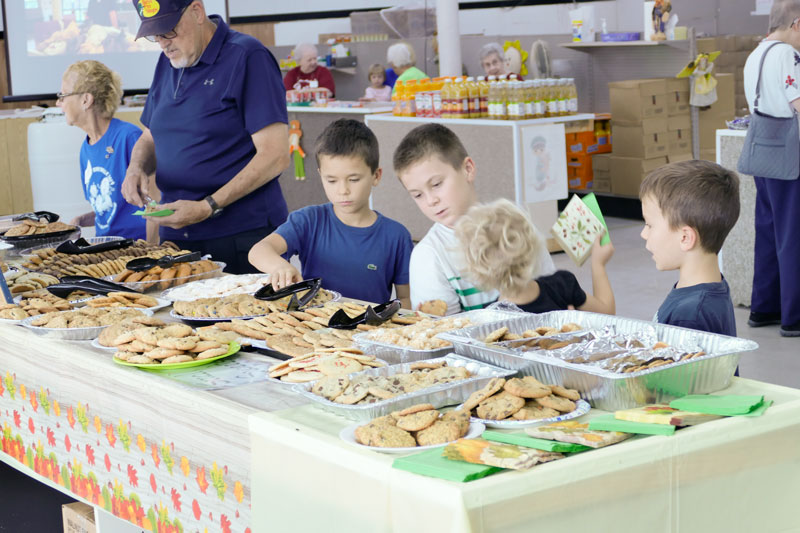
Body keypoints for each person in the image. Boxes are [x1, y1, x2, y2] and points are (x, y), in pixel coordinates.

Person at [123, 0, 290, 274]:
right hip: (178, 240)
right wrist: (135, 168)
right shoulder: (168, 62)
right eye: (156, 35)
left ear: (197, 12)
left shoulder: (248, 56)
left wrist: (208, 206)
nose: (163, 43)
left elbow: (275, 156)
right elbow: (150, 136)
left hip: (243, 237)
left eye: (169, 31)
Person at [393, 123, 556, 315]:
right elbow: (442, 335)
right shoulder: (428, 256)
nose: (431, 200)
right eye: (417, 195)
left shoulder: (515, 225)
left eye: (436, 184)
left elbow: (552, 292)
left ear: (468, 169)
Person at [248, 119, 413, 308]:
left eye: (353, 179)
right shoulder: (309, 220)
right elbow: (258, 251)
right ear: (320, 176)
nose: (343, 190)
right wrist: (280, 266)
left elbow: (405, 298)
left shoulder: (396, 236)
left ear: (376, 176)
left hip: (369, 330)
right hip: (314, 327)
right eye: (332, 181)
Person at [743, 0, 800, 337]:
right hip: (789, 158)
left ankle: (764, 308)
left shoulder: (756, 54)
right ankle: (794, 316)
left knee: (767, 233)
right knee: (793, 236)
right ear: (796, 24)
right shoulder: (788, 55)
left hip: (763, 154)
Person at [455, 199, 615, 315]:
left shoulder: (488, 320)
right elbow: (606, 313)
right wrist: (598, 264)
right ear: (534, 247)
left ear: (478, 273)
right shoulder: (562, 285)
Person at [639, 160, 740, 336]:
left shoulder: (690, 317)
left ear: (685, 238)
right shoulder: (708, 290)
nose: (643, 234)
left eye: (649, 225)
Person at [59, 60, 146, 241]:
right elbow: (111, 207)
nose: (59, 103)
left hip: (137, 249)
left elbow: (155, 204)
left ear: (86, 100)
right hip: (106, 247)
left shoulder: (129, 137)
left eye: (63, 95)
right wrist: (82, 219)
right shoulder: (86, 149)